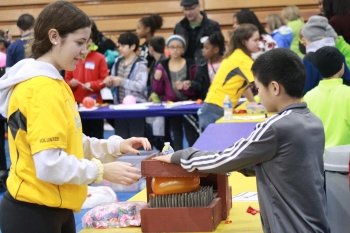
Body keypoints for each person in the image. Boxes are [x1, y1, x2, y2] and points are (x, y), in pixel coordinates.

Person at [0, 1, 151, 233]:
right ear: (54, 37)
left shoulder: (54, 83)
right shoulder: (41, 88)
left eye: (86, 43)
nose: (84, 51)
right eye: (79, 43)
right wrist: (102, 170)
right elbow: (49, 165)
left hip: (56, 207)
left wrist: (115, 145)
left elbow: (71, 142)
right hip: (33, 213)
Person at [155, 48, 330, 233]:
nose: (258, 95)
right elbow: (281, 166)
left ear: (275, 88)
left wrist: (181, 156)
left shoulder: (275, 126)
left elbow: (224, 159)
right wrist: (242, 162)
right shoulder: (313, 121)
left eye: (258, 88)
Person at [198, 24, 259, 131]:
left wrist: (252, 102)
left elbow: (243, 84)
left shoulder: (237, 55)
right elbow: (260, 83)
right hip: (216, 109)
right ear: (244, 42)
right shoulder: (241, 59)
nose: (258, 43)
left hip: (215, 107)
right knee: (213, 147)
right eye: (255, 40)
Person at [152, 35, 199, 150]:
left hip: (188, 106)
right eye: (172, 47)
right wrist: (156, 79)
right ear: (167, 49)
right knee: (175, 134)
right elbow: (157, 90)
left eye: (178, 47)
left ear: (183, 49)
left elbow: (197, 85)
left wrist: (187, 86)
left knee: (191, 134)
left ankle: (193, 157)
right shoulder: (162, 65)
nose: (175, 50)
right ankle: (177, 158)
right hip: (171, 106)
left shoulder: (191, 64)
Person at [64, 25, 109, 139]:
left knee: (97, 138)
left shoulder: (99, 58)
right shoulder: (72, 57)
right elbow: (66, 80)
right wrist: (71, 83)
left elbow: (105, 80)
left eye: (87, 41)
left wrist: (92, 85)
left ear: (91, 41)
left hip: (96, 106)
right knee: (79, 138)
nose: (84, 45)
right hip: (77, 106)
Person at [103, 32, 148, 139]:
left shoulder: (141, 63)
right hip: (120, 107)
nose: (120, 48)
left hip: (137, 108)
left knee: (137, 140)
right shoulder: (118, 61)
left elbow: (141, 86)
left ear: (132, 46)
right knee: (121, 141)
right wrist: (110, 82)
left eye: (123, 46)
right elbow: (114, 83)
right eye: (119, 46)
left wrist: (122, 81)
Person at [304, 46, 350, 148]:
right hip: (346, 159)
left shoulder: (308, 97)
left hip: (319, 157)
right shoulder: (348, 93)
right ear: (342, 66)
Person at [300, 15, 350, 93]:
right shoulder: (336, 53)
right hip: (341, 96)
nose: (303, 42)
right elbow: (347, 79)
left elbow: (306, 86)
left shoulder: (309, 59)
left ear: (311, 38)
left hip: (316, 100)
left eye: (305, 39)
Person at [174, 0, 221, 64]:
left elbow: (219, 49)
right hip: (185, 67)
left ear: (199, 7)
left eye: (191, 9)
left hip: (206, 66)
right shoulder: (179, 27)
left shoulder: (213, 26)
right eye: (185, 9)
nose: (188, 13)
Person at [191, 31, 225, 100]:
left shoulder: (227, 64)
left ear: (216, 50)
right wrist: (191, 84)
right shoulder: (202, 67)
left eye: (206, 48)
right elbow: (199, 86)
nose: (203, 50)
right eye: (203, 48)